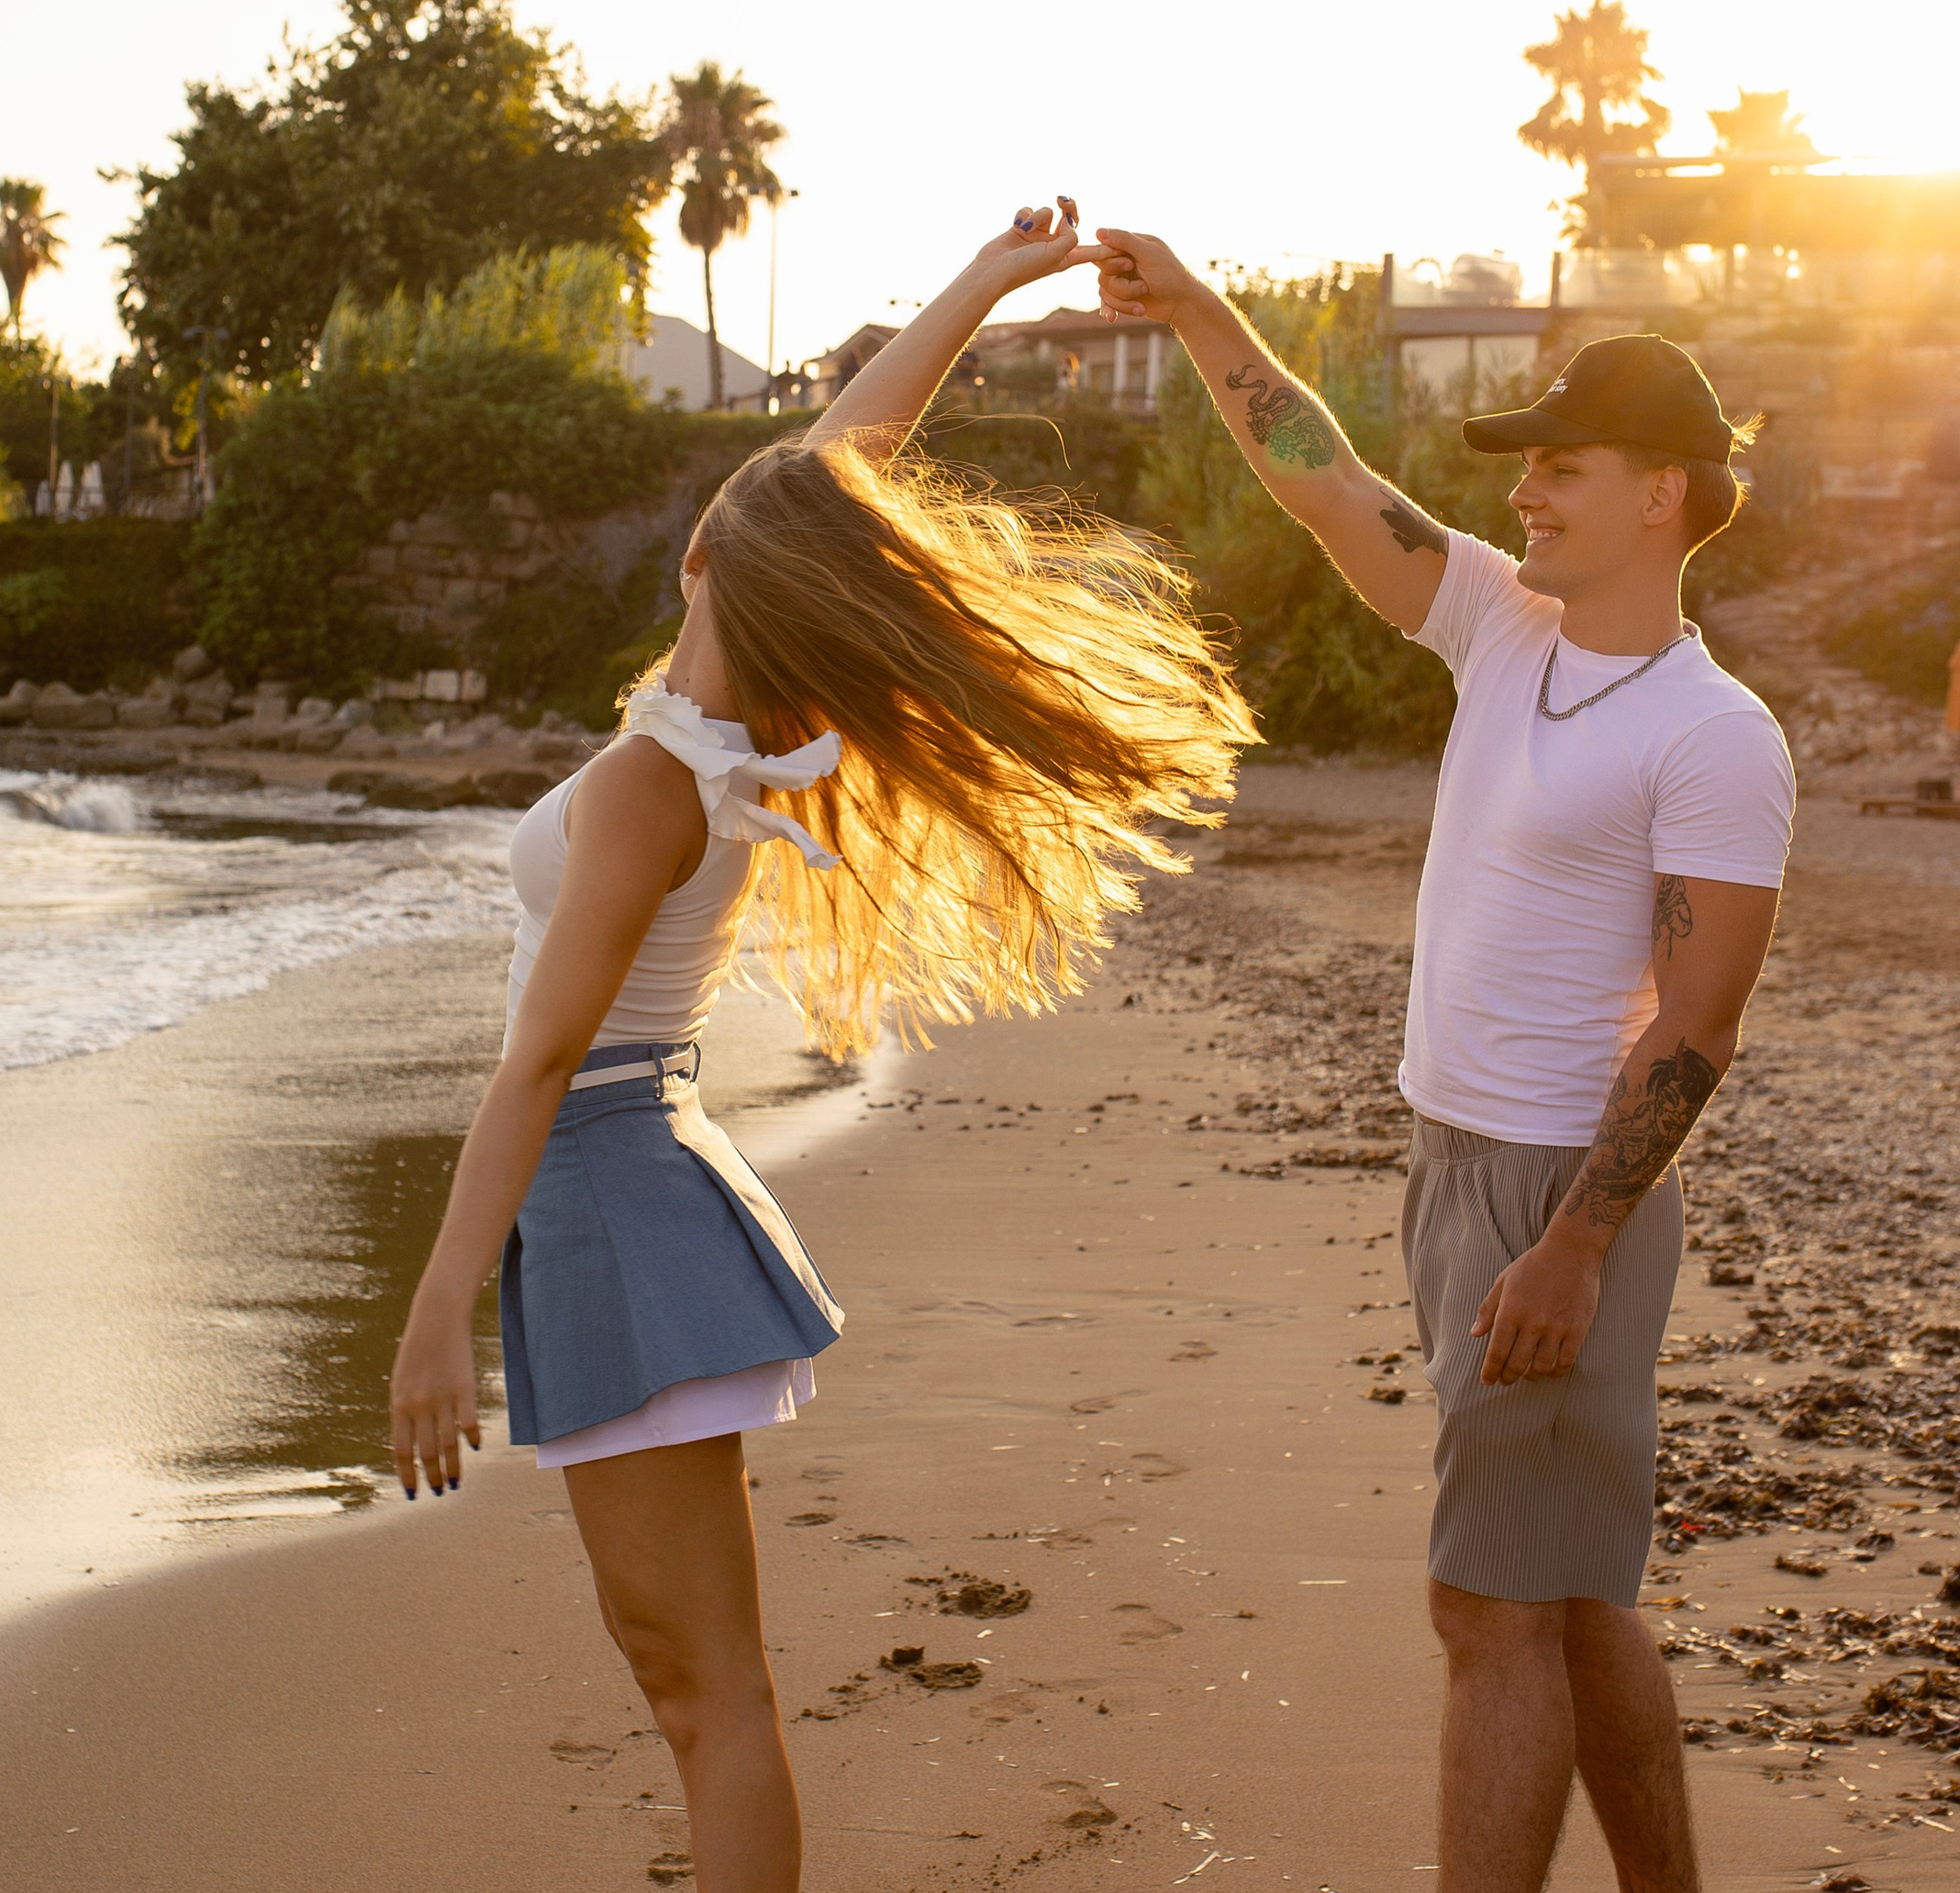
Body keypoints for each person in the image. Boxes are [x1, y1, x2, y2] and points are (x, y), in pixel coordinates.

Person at [389, 207, 1254, 1893]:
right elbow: (838, 463)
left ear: (714, 561)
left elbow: (539, 1067)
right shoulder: (697, 731)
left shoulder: (664, 780)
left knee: (709, 1697)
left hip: (613, 1195)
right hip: (621, 1200)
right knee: (692, 1685)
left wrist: (437, 1313)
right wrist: (986, 290)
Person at [1092, 231, 1793, 1893]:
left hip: (1561, 1193)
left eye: (1567, 465)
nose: (1531, 493)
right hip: (1458, 1164)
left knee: (1486, 1610)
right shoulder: (1502, 624)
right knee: (1565, 1595)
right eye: (1528, 469)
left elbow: (1699, 1027)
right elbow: (1321, 480)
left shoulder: (1715, 736)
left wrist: (1573, 1243)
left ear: (1666, 497)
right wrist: (1198, 311)